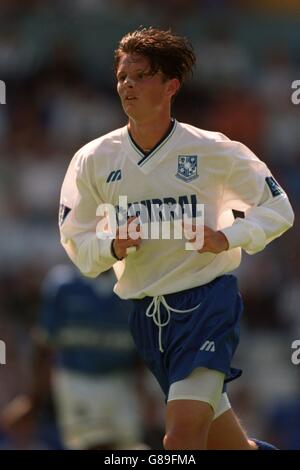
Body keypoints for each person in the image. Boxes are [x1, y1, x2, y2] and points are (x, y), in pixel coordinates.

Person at [58, 27, 294, 450]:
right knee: (228, 446)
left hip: (207, 305)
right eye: (122, 75)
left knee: (180, 441)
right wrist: (111, 247)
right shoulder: (94, 158)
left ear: (171, 85)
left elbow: (279, 209)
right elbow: (74, 238)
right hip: (146, 317)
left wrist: (226, 237)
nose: (127, 84)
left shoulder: (215, 150)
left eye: (141, 75)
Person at [0, 265, 145, 450]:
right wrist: (32, 401)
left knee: (128, 447)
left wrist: (144, 390)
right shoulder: (63, 285)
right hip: (77, 380)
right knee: (95, 444)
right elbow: (44, 346)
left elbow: (140, 347)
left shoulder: (135, 284)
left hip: (122, 382)